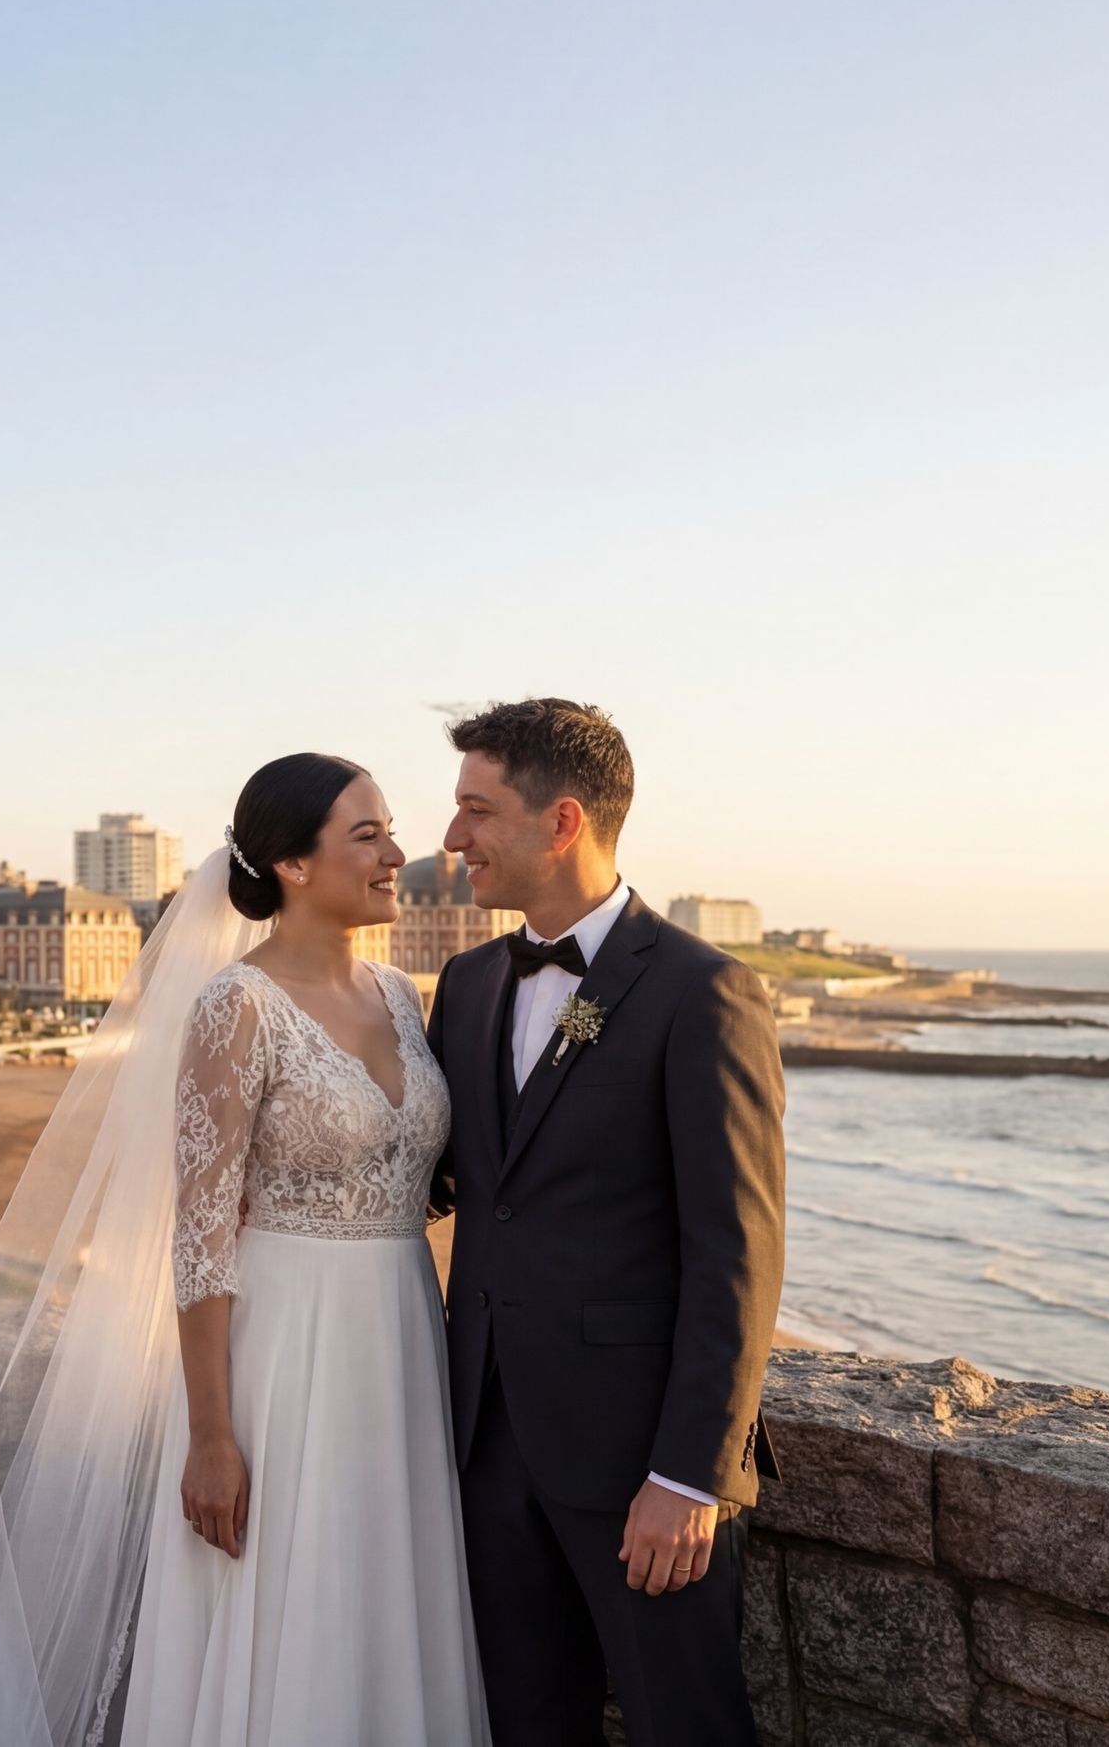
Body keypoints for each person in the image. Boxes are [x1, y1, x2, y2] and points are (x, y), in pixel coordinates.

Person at [0, 753, 488, 1747]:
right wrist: (213, 1435)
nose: (398, 854)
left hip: (400, 1343)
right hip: (284, 1356)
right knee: (287, 1602)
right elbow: (201, 1237)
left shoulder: (403, 996)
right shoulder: (236, 1007)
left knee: (389, 1593)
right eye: (368, 836)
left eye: (391, 831)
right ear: (293, 865)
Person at [427, 699, 785, 1747]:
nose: (451, 837)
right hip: (485, 1447)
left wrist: (689, 1474)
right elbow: (451, 1179)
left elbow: (738, 1252)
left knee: (687, 1726)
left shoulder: (704, 991)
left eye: (476, 810)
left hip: (641, 1465)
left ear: (563, 821)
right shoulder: (468, 985)